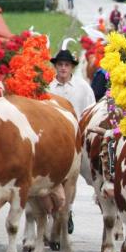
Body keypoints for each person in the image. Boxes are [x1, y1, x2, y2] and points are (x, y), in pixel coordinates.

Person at [48, 49, 95, 233]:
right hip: (52, 141)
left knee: (77, 177)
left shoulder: (83, 88)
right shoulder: (47, 87)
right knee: (50, 180)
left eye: (66, 65)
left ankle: (69, 211)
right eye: (60, 65)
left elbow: (89, 111)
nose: (63, 68)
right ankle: (54, 215)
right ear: (55, 66)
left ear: (72, 68)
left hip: (76, 140)